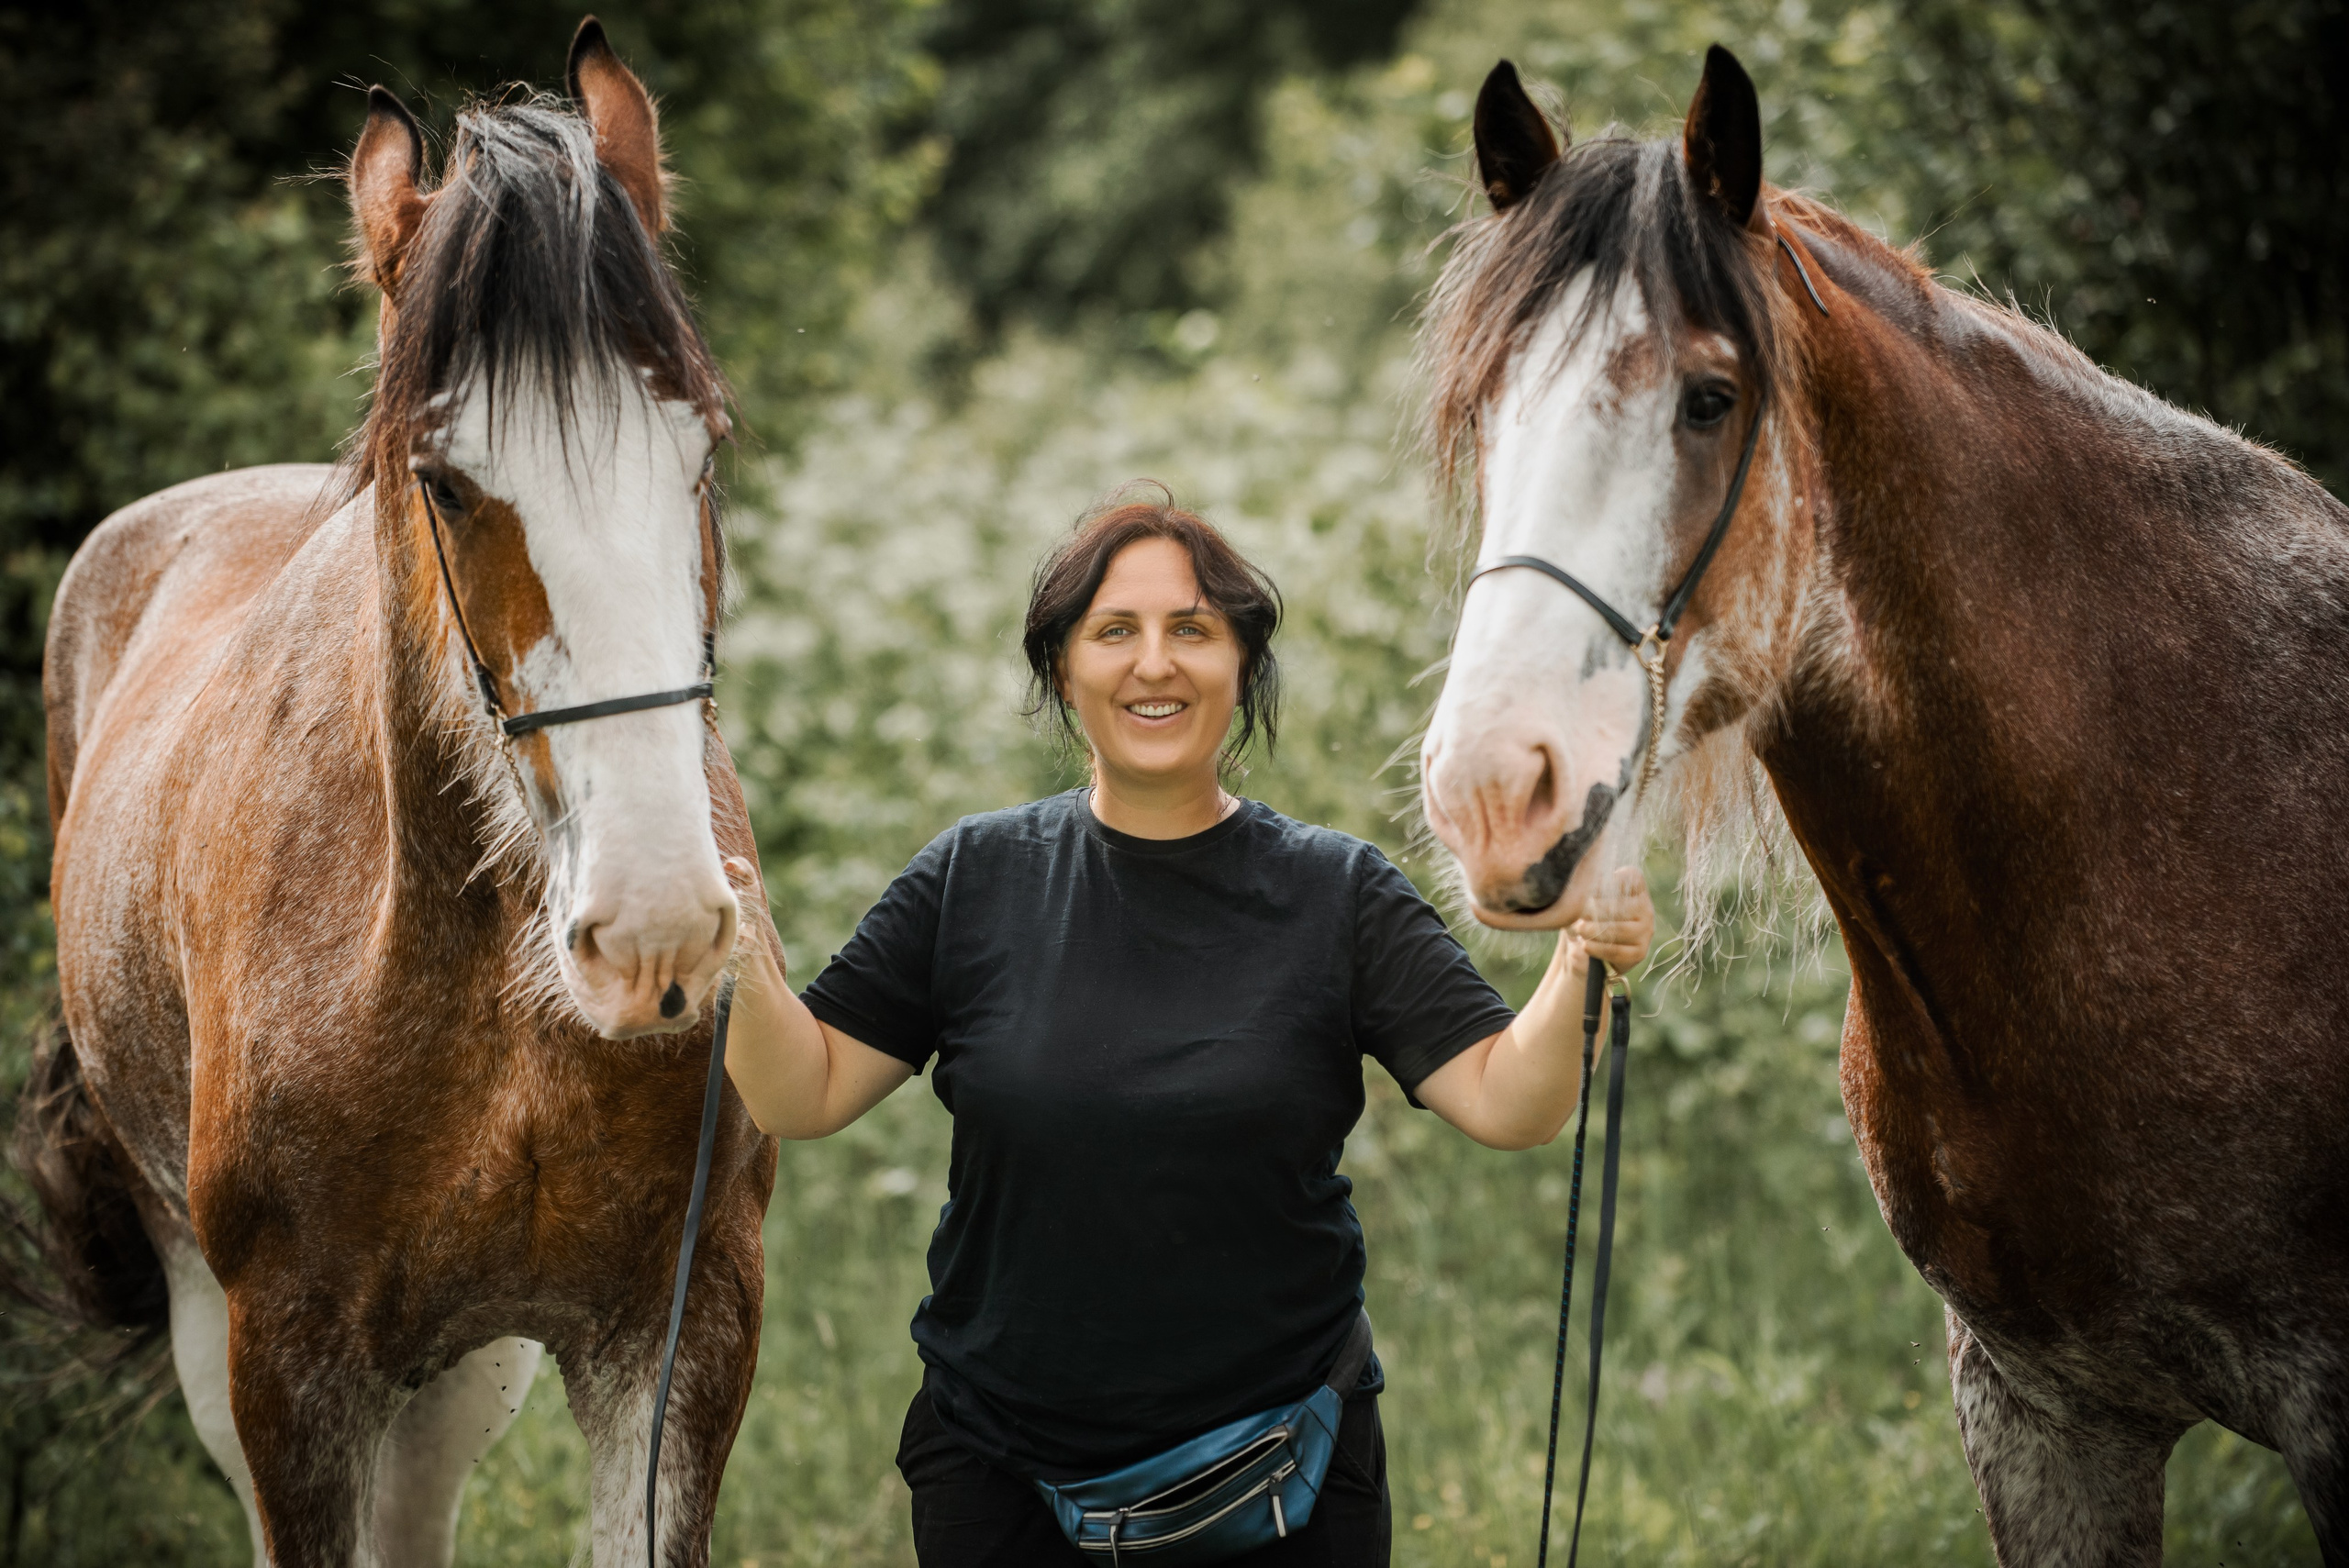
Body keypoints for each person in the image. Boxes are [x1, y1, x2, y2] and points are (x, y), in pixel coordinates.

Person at [718, 492, 1654, 1566]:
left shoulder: (1337, 892)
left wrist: (1581, 961)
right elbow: (805, 1091)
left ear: (1242, 666)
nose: (1152, 663)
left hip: (1283, 1479)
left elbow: (1507, 1100)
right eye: (1114, 630)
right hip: (1000, 1478)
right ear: (1062, 671)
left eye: (1191, 630)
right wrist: (733, 949)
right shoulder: (970, 878)